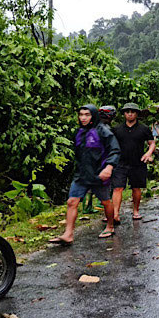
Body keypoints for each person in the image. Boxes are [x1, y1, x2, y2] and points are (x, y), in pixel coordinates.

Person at [49, 104, 120, 246]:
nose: (83, 118)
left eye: (87, 115)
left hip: (99, 174)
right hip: (81, 175)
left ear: (93, 116)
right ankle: (68, 234)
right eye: (81, 114)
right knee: (71, 202)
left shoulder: (104, 131)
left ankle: (110, 226)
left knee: (106, 202)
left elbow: (115, 150)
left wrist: (109, 167)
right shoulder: (79, 132)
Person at [110, 103, 155, 230]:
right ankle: (115, 214)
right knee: (117, 188)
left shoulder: (144, 129)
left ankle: (135, 211)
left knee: (136, 188)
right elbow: (111, 144)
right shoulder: (117, 129)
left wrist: (148, 153)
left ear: (137, 114)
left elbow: (151, 143)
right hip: (120, 162)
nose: (130, 113)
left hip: (138, 162)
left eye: (133, 111)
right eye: (127, 111)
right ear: (124, 113)